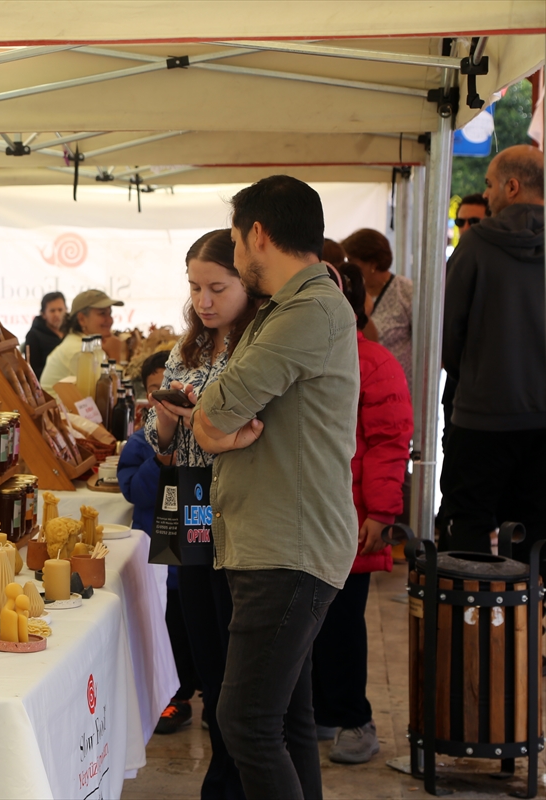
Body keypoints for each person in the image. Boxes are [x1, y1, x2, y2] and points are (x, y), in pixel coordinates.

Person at [173, 176, 357, 800]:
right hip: (276, 541)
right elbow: (214, 411)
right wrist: (210, 421)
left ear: (256, 234)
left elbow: (218, 407)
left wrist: (210, 423)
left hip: (287, 547)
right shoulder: (292, 307)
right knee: (284, 720)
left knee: (246, 722)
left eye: (233, 241)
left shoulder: (308, 310)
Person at [146, 229, 262, 799]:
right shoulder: (187, 348)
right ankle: (221, 771)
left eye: (217, 287)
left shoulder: (259, 345)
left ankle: (234, 774)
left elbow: (253, 430)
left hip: (235, 502)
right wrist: (167, 419)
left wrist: (199, 421)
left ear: (247, 282)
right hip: (187, 496)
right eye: (195, 287)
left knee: (233, 636)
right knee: (198, 631)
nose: (203, 301)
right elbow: (159, 444)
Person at [311, 262, 412, 765]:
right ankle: (322, 713)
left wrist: (381, 512)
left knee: (342, 624)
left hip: (351, 522)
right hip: (307, 519)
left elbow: (390, 444)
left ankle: (355, 718)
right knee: (310, 624)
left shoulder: (374, 362)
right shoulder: (303, 355)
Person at [439, 145, 545, 561]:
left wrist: (473, 375)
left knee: (468, 525)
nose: (487, 195)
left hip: (482, 416)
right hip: (542, 419)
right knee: (537, 532)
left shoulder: (477, 245)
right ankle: (528, 623)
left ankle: (476, 622)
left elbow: (448, 334)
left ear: (512, 186)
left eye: (489, 185)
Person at [119, 349, 203, 736]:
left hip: (198, 551)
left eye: (173, 393)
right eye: (156, 394)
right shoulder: (140, 445)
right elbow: (134, 491)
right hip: (160, 557)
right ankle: (176, 697)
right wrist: (161, 462)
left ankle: (211, 697)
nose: (165, 403)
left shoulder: (206, 441)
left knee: (196, 626)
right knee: (166, 627)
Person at [441, 193, 491, 450]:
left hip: (486, 390)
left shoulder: (493, 263)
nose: (466, 228)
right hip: (458, 382)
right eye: (461, 222)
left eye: (475, 221)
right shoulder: (452, 262)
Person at [342, 228, 413, 389]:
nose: (348, 266)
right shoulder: (351, 291)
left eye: (352, 260)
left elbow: (426, 343)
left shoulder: (405, 291)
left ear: (372, 264)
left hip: (396, 387)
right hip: (359, 385)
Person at [39, 289, 125, 396]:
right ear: (82, 319)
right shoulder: (79, 351)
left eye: (110, 313)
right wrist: (114, 355)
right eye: (102, 313)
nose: (110, 320)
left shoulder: (86, 345)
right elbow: (106, 394)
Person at [23, 291, 67, 377]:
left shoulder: (73, 331)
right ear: (43, 314)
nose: (57, 314)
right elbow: (33, 371)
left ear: (66, 310)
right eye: (52, 311)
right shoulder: (33, 336)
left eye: (60, 310)